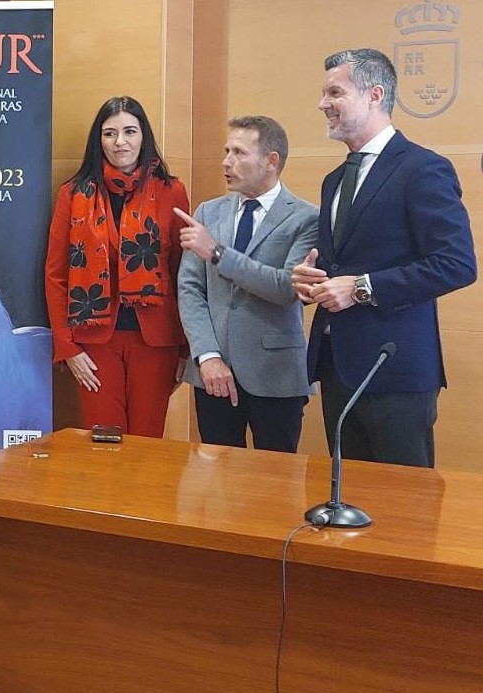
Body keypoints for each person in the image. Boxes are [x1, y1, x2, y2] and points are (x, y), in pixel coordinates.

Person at [291, 48, 476, 467]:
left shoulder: (423, 168)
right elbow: (337, 265)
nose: (323, 104)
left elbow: (457, 264)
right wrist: (308, 281)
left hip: (396, 372)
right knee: (349, 506)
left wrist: (360, 288)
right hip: (337, 367)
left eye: (334, 92)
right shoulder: (334, 179)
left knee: (404, 515)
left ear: (374, 94)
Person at [44, 96, 190, 437]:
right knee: (103, 444)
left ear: (144, 137)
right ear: (99, 141)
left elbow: (184, 271)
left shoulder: (171, 191)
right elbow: (56, 276)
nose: (120, 142)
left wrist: (185, 348)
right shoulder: (74, 193)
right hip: (94, 342)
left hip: (155, 341)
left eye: (129, 131)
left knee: (146, 443)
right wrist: (68, 348)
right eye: (109, 134)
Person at [175, 116, 317, 452]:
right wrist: (206, 355)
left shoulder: (306, 217)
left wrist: (219, 253)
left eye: (238, 152)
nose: (226, 162)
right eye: (226, 151)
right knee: (218, 484)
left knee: (276, 483)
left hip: (276, 374)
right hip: (213, 372)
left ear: (271, 161)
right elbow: (190, 288)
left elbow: (286, 288)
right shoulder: (208, 212)